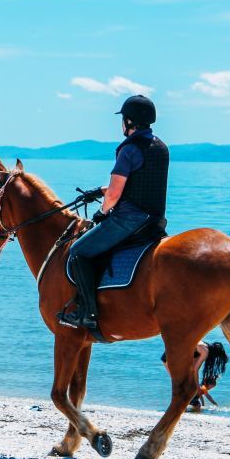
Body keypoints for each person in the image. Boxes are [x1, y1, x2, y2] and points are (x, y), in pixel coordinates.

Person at [59, 94, 169, 330]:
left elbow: (115, 195)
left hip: (129, 219)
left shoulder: (128, 150)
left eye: (123, 119)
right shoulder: (160, 147)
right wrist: (99, 191)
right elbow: (138, 182)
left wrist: (102, 210)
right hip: (154, 220)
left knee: (78, 251)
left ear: (129, 121)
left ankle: (87, 313)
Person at [161, 340, 229, 410]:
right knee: (181, 384)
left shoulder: (201, 347)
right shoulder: (205, 351)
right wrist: (197, 387)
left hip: (171, 352)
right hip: (172, 355)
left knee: (182, 384)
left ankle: (184, 406)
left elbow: (193, 369)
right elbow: (195, 370)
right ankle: (181, 406)